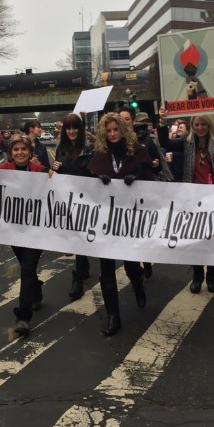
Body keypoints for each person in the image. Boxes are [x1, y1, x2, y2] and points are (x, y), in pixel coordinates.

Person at [158, 102, 214, 293]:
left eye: (203, 124)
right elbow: (165, 143)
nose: (200, 128)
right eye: (196, 124)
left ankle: (211, 276)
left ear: (209, 125)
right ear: (192, 126)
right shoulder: (186, 143)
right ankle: (197, 276)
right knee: (195, 239)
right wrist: (162, 121)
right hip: (193, 199)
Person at [87, 113, 154, 336]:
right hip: (105, 221)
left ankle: (138, 284)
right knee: (106, 270)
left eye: (116, 129)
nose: (113, 134)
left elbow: (149, 176)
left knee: (131, 264)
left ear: (123, 130)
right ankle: (113, 316)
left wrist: (137, 177)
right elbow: (88, 181)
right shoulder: (100, 154)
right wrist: (97, 178)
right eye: (108, 131)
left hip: (129, 220)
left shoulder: (137, 151)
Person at [0, 134, 52, 335]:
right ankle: (36, 289)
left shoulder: (40, 171)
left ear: (30, 152)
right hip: (14, 230)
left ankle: (23, 316)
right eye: (16, 149)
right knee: (27, 267)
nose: (20, 152)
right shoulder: (3, 171)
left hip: (36, 230)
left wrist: (54, 176)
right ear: (11, 153)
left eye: (24, 149)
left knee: (27, 268)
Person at [52, 113, 95, 299]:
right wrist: (55, 168)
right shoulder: (61, 148)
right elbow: (59, 173)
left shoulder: (90, 147)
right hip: (68, 198)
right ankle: (82, 267)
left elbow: (95, 170)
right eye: (68, 128)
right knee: (76, 235)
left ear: (80, 128)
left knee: (80, 235)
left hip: (86, 197)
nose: (71, 131)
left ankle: (77, 280)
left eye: (74, 127)